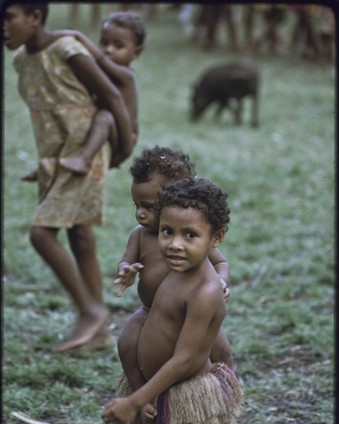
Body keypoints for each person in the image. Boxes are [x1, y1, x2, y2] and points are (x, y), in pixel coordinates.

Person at [4, 3, 134, 352]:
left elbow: (111, 96)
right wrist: (44, 163)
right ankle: (100, 329)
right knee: (78, 232)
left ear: (35, 17)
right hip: (55, 159)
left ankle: (89, 311)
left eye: (8, 17)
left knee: (41, 234)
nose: (3, 26)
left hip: (85, 154)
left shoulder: (67, 50)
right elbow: (46, 116)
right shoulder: (21, 60)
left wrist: (123, 147)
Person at [103, 177, 242, 424]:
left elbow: (184, 359)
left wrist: (133, 401)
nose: (174, 244)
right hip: (148, 385)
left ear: (216, 237)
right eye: (168, 232)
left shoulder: (206, 291)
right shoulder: (176, 268)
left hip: (187, 391)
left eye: (190, 235)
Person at [114, 146, 233, 400]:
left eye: (148, 206)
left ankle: (225, 397)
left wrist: (221, 282)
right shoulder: (139, 235)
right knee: (126, 343)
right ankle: (141, 396)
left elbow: (221, 263)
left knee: (222, 351)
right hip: (151, 313)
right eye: (136, 205)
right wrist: (126, 271)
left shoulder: (192, 240)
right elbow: (125, 261)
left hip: (193, 314)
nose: (139, 213)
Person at [22, 10, 146, 180]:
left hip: (124, 137)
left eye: (118, 46)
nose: (109, 50)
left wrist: (79, 37)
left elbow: (102, 59)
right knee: (74, 126)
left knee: (104, 116)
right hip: (105, 132)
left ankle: (83, 160)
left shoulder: (125, 75)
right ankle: (51, 168)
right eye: (104, 42)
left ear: (136, 53)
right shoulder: (102, 71)